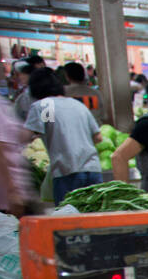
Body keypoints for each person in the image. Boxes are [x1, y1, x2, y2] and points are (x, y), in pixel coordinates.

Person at [20, 68, 102, 205]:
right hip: (93, 170)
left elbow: (27, 136)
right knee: (93, 218)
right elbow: (98, 137)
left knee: (69, 220)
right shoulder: (77, 105)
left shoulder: (46, 105)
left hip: (67, 171)